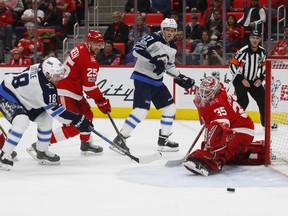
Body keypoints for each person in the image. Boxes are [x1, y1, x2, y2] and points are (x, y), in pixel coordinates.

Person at [110, 18, 195, 154]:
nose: (169, 32)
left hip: (157, 81)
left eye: (172, 30)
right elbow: (136, 50)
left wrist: (181, 76)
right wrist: (152, 59)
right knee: (141, 110)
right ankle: (120, 139)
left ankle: (163, 141)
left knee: (170, 108)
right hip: (142, 78)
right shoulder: (152, 37)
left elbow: (169, 66)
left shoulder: (172, 47)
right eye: (167, 29)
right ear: (162, 29)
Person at [0, 57, 94, 171]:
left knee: (45, 119)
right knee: (22, 121)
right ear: (48, 74)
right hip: (7, 95)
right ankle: (4, 156)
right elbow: (59, 114)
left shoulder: (42, 68)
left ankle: (41, 151)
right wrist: (78, 119)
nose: (59, 78)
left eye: (60, 74)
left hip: (25, 98)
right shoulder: (45, 88)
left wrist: (77, 119)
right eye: (56, 76)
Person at [27, 29, 111, 156]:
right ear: (88, 42)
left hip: (73, 90)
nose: (98, 47)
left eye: (100, 45)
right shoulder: (89, 61)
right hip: (65, 91)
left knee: (87, 115)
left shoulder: (81, 47)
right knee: (74, 126)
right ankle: (39, 146)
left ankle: (85, 143)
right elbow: (89, 87)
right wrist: (102, 102)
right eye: (96, 44)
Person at [183, 76, 266, 176]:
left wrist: (212, 146)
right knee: (214, 146)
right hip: (239, 127)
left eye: (208, 92)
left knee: (219, 146)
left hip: (242, 131)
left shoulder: (217, 104)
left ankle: (215, 163)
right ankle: (252, 153)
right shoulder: (220, 91)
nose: (204, 95)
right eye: (203, 91)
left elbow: (222, 127)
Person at [229, 31, 277, 130]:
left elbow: (263, 66)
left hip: (254, 80)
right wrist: (241, 79)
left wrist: (260, 79)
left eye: (257, 38)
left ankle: (266, 124)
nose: (255, 40)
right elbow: (232, 65)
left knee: (263, 100)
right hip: (240, 80)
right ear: (250, 39)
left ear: (259, 40)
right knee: (243, 101)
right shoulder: (243, 51)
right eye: (253, 38)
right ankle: (232, 121)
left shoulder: (262, 51)